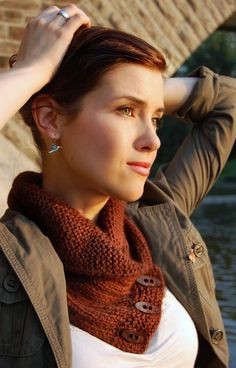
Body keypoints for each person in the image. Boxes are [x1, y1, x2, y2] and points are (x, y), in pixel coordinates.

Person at [0, 4, 235, 368]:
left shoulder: (159, 220)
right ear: (50, 119)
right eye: (126, 111)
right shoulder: (9, 256)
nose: (153, 140)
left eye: (156, 118)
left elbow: (229, 104)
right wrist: (36, 72)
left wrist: (142, 90)